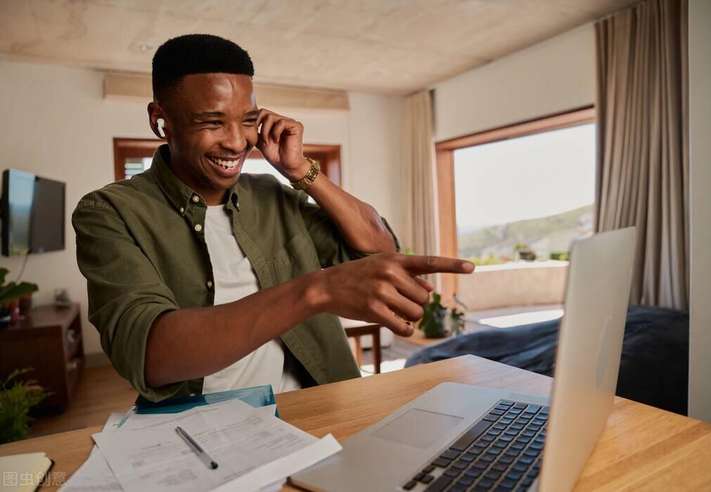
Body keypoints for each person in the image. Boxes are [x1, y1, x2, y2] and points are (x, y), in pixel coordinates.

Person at [72, 34, 473, 403]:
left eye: (247, 121)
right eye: (212, 122)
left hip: (317, 408)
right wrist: (315, 291)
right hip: (196, 430)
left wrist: (302, 171)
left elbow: (379, 248)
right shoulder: (109, 213)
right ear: (160, 120)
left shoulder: (272, 196)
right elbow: (151, 355)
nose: (236, 141)